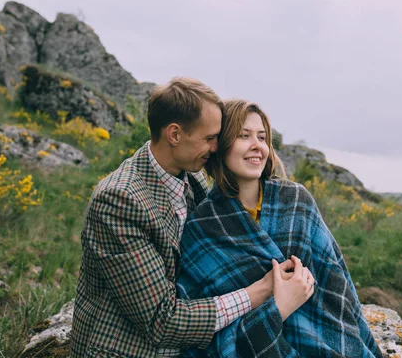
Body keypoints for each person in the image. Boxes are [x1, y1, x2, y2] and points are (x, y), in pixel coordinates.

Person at [71, 78, 314, 357]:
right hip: (127, 350)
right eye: (210, 139)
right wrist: (261, 291)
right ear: (174, 135)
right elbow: (161, 321)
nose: (215, 148)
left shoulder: (192, 176)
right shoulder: (119, 200)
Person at [177, 100, 384, 357]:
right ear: (220, 145)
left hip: (324, 341)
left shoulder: (295, 200)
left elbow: (335, 282)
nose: (256, 145)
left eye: (262, 137)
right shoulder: (203, 227)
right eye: (244, 136)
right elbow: (205, 328)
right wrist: (277, 309)